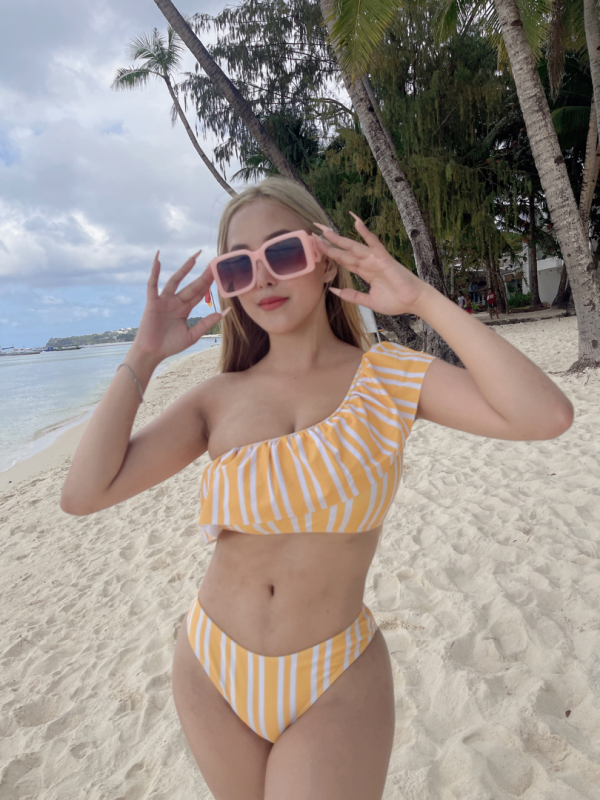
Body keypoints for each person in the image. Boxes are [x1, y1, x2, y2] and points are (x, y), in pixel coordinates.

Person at [60, 176, 574, 800]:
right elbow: (82, 494)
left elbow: (545, 415)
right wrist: (143, 355)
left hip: (333, 676)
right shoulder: (218, 399)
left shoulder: (390, 378)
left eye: (282, 252)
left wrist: (420, 299)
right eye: (237, 266)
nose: (262, 278)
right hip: (210, 666)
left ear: (325, 257)